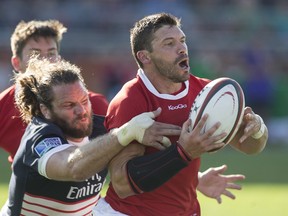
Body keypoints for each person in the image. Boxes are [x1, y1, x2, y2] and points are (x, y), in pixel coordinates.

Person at [93, 13, 268, 216]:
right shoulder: (130, 100)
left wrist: (256, 129)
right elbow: (122, 183)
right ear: (145, 56)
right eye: (169, 43)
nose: (182, 48)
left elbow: (250, 146)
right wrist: (183, 152)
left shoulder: (204, 92)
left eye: (182, 41)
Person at [0, 57, 181, 215]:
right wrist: (124, 132)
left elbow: (134, 168)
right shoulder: (39, 138)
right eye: (68, 105)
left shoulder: (100, 127)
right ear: (45, 110)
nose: (81, 111)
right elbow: (73, 167)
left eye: (84, 101)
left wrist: (196, 178)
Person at [0, 20, 109, 164]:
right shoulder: (2, 107)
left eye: (51, 53)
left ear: (59, 58)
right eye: (35, 54)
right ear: (16, 62)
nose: (45, 60)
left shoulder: (94, 104)